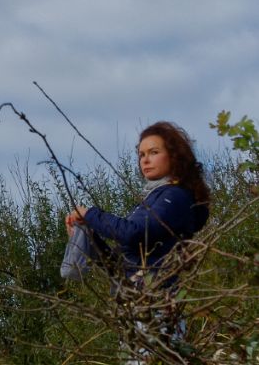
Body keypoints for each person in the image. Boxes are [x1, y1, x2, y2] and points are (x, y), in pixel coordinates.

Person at [64, 121, 209, 292]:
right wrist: (90, 236)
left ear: (174, 156)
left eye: (154, 152)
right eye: (141, 155)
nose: (145, 160)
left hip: (156, 298)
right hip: (136, 299)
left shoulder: (175, 196)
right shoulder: (153, 198)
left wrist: (90, 214)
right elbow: (121, 269)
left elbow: (135, 233)